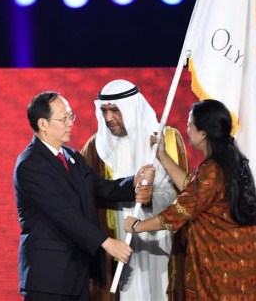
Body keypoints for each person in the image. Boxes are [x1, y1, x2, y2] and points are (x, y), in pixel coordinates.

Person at [13, 91, 155, 301]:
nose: (70, 123)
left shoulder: (71, 157)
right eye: (64, 118)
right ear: (43, 124)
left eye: (71, 116)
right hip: (48, 277)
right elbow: (63, 214)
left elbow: (101, 189)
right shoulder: (30, 165)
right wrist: (107, 242)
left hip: (77, 273)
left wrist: (134, 181)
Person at [123, 99, 256, 300]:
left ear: (203, 133)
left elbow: (177, 214)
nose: (187, 127)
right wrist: (162, 156)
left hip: (226, 268)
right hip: (246, 259)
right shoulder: (230, 159)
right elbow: (193, 189)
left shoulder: (212, 171)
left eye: (190, 123)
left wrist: (137, 225)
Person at [81, 79, 189, 300]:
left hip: (160, 242)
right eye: (104, 111)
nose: (109, 118)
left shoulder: (166, 139)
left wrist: (151, 199)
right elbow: (87, 196)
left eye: (115, 110)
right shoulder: (95, 147)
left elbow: (183, 195)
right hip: (117, 244)